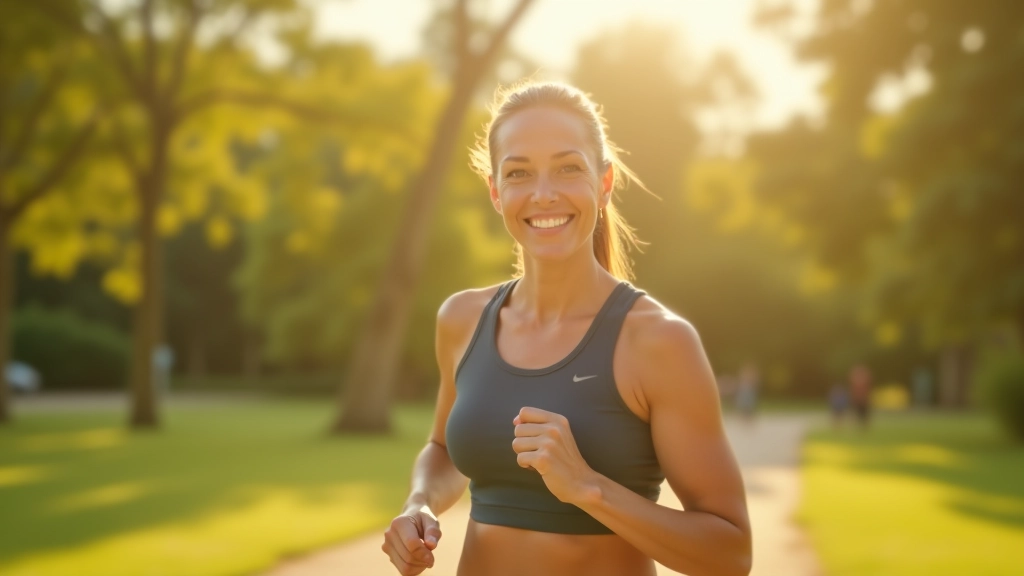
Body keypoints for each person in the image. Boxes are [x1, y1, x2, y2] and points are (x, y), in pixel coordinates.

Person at [381, 81, 751, 576]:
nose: (543, 194)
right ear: (496, 191)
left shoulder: (658, 341)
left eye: (568, 168)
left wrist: (587, 488)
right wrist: (419, 503)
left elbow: (730, 554)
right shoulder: (461, 319)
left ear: (604, 182)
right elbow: (444, 449)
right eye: (519, 173)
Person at [849, 363, 873, 430]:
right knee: (857, 413)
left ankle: (864, 426)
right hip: (857, 398)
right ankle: (858, 426)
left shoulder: (864, 379)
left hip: (863, 399)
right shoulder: (855, 379)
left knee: (864, 414)